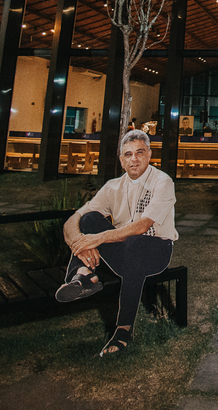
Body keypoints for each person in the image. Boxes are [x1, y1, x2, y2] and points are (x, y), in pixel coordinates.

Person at [56, 129, 177, 355]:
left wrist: (97, 239)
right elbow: (73, 220)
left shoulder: (162, 182)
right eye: (128, 154)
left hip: (156, 250)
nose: (134, 159)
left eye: (140, 152)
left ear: (149, 154)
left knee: (134, 242)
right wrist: (78, 244)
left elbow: (142, 226)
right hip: (124, 251)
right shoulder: (113, 186)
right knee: (89, 219)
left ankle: (124, 329)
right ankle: (83, 276)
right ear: (122, 160)